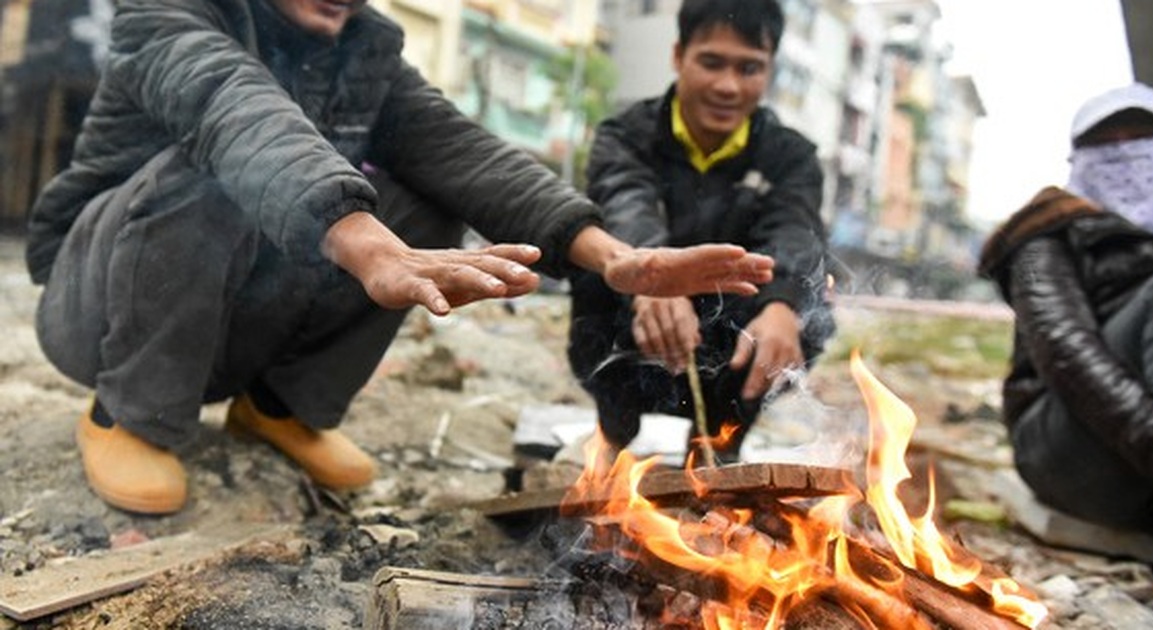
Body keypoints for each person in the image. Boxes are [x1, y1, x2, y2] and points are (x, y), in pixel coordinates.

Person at [26, 0, 777, 515]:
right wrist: (364, 241)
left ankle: (281, 407)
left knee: (428, 194)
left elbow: (462, 152)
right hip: (101, 304)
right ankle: (130, 413)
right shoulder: (164, 14)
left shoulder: (364, 48)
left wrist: (615, 261)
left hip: (231, 319)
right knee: (215, 168)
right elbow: (236, 112)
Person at [567, 0, 835, 464]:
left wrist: (782, 305)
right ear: (678, 56)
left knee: (805, 307)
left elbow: (794, 228)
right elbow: (625, 203)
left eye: (749, 68)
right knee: (594, 270)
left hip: (726, 332)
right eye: (711, 62)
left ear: (769, 70)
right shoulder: (626, 135)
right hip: (641, 323)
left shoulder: (790, 155)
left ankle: (718, 446)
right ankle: (613, 434)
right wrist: (650, 279)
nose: (728, 86)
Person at [978, 83, 1153, 580]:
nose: (1125, 154)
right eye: (1106, 144)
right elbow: (1072, 361)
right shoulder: (1040, 242)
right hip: (1067, 453)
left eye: (1142, 139)